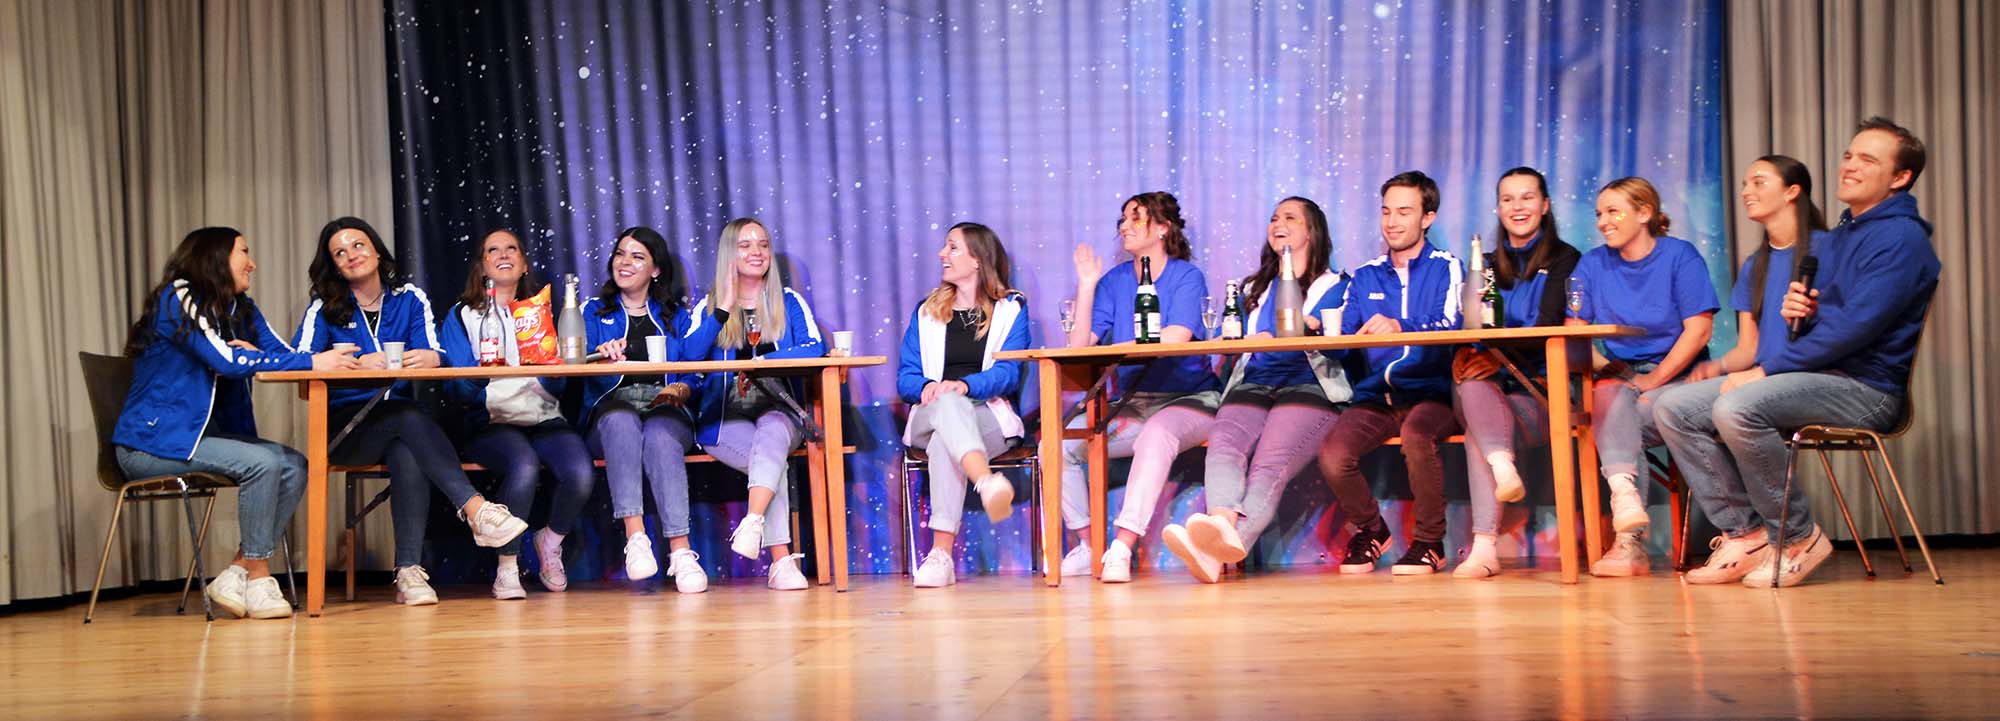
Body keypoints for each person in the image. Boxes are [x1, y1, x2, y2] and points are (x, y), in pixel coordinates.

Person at [1660, 118, 1937, 587]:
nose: (1850, 165)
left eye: (1868, 159)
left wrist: (1766, 369)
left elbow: (1856, 329)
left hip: (1866, 389)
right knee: (1674, 408)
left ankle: (1797, 537)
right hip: (1821, 376)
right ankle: (1747, 535)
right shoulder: (1847, 234)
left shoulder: (1901, 239)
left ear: (1900, 177)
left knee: (1738, 406)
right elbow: (1833, 317)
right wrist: (1804, 310)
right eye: (1849, 155)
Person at [113, 227, 360, 619]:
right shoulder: (179, 295)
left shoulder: (240, 306)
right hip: (152, 444)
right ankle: (259, 577)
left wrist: (343, 361)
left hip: (199, 441)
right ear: (215, 256)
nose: (252, 263)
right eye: (244, 251)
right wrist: (305, 360)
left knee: (295, 465)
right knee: (262, 463)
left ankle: (237, 571)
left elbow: (283, 354)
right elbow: (226, 361)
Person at [296, 216, 528, 605]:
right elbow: (301, 363)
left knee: (406, 446)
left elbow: (435, 350)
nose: (351, 255)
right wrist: (350, 364)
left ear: (376, 250)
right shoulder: (323, 308)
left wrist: (433, 358)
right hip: (347, 429)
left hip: (403, 427)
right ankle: (476, 510)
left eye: (358, 245)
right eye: (339, 252)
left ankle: (408, 571)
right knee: (407, 419)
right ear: (333, 265)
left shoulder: (409, 298)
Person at [1159, 197, 1351, 583]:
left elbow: (1333, 337)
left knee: (1268, 465)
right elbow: (1234, 337)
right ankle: (1220, 529)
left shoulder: (1337, 286)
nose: (1278, 223)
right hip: (1254, 383)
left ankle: (1212, 555)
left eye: (1290, 218)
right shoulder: (1252, 288)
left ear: (1311, 231)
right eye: (1274, 218)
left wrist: (1300, 328)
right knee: (1224, 446)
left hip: (1307, 387)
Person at [1057, 191, 1221, 583]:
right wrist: (1087, 286)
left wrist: (1117, 348)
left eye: (1136, 218)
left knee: (1157, 434)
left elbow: (1176, 337)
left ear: (1162, 228)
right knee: (1058, 445)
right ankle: (1088, 546)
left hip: (1190, 400)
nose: (1125, 226)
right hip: (1132, 404)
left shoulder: (1186, 277)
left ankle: (1121, 547)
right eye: (1123, 220)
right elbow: (1079, 346)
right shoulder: (1114, 282)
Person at [1565, 178, 1719, 577]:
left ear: (1645, 213)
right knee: (1609, 396)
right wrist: (1608, 367)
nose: (1603, 221)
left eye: (1613, 212)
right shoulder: (1592, 264)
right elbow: (1575, 331)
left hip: (1679, 379)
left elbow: (1699, 330)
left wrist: (1653, 380)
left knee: (1618, 411)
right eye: (1599, 213)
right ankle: (1625, 503)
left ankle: (1628, 540)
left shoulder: (1680, 256)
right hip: (1624, 379)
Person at [1315, 171, 1465, 575]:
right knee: (1333, 455)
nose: (1392, 221)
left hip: (1432, 394)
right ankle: (1371, 530)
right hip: (1376, 399)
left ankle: (1430, 542)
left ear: (1428, 218)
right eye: (1386, 212)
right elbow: (1343, 340)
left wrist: (1400, 325)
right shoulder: (1365, 275)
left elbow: (1453, 325)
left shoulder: (1447, 267)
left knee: (1417, 435)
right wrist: (1326, 336)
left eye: (1404, 211)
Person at [437, 229, 597, 598]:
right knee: (523, 466)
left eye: (512, 249)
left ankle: (550, 542)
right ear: (482, 267)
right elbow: (456, 391)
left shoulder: (542, 312)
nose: (503, 255)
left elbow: (559, 387)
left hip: (544, 418)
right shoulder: (462, 315)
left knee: (580, 473)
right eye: (493, 250)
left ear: (524, 264)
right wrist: (482, 373)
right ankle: (507, 566)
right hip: (490, 423)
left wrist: (551, 368)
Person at [1448, 167, 1583, 579]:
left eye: (1527, 197)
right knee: (1471, 382)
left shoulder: (1565, 259)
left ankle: (1485, 547)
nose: (1517, 207)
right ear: (1497, 208)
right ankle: (1502, 467)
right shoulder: (1485, 265)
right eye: (1508, 199)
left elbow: (1548, 326)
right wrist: (1461, 353)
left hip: (1536, 393)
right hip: (1485, 391)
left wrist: (1498, 358)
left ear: (1545, 205)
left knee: (1480, 433)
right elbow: (1469, 326)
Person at [683, 217, 826, 591]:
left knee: (772, 436)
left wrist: (763, 362)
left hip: (779, 410)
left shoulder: (788, 301)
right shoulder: (708, 306)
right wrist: (723, 309)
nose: (757, 252)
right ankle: (780, 562)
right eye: (745, 245)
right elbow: (688, 355)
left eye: (762, 244)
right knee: (771, 462)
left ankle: (754, 524)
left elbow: (815, 347)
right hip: (723, 417)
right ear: (729, 254)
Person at [579, 226, 717, 593]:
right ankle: (636, 537)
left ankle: (681, 552)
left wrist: (683, 387)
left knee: (659, 436)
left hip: (664, 406)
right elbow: (570, 363)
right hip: (612, 409)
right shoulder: (592, 312)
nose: (624, 263)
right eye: (620, 254)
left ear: (655, 270)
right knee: (622, 422)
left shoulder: (676, 316)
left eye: (637, 256)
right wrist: (597, 357)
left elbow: (696, 369)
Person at [899, 223, 1034, 588]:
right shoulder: (927, 311)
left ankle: (940, 556)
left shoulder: (1010, 309)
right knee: (947, 406)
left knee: (946, 441)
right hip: (929, 413)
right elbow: (906, 377)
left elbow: (1008, 373)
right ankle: (985, 481)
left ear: (977, 260)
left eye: (953, 248)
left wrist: (965, 385)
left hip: (987, 415)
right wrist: (929, 387)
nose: (942, 254)